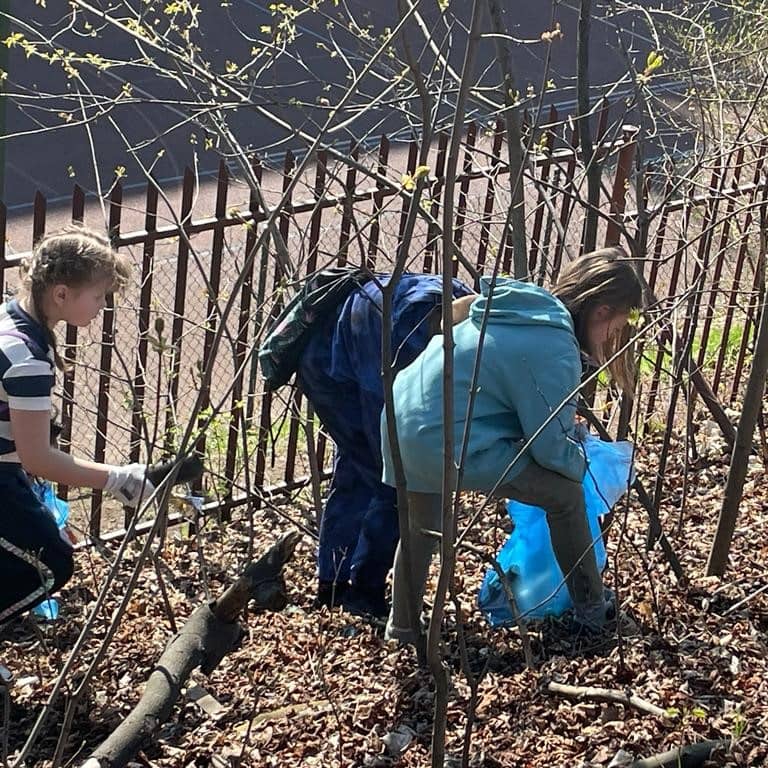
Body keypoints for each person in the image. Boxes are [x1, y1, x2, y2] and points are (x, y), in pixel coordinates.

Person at [382, 247, 643, 643]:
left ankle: (401, 629)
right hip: (445, 437)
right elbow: (549, 450)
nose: (613, 338)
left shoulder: (519, 311)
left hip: (402, 423)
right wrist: (582, 463)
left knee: (421, 526)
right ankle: (593, 613)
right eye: (617, 326)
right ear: (602, 311)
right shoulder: (554, 343)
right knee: (565, 495)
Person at [293, 272, 475, 618]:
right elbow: (392, 425)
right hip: (329, 367)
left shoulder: (463, 310)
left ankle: (337, 583)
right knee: (394, 479)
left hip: (348, 356)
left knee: (363, 468)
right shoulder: (406, 333)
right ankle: (361, 589)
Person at [0, 227, 156, 625]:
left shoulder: (9, 316)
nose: (103, 305)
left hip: (7, 472)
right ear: (61, 294)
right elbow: (38, 458)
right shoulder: (26, 359)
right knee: (50, 564)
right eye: (99, 295)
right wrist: (119, 479)